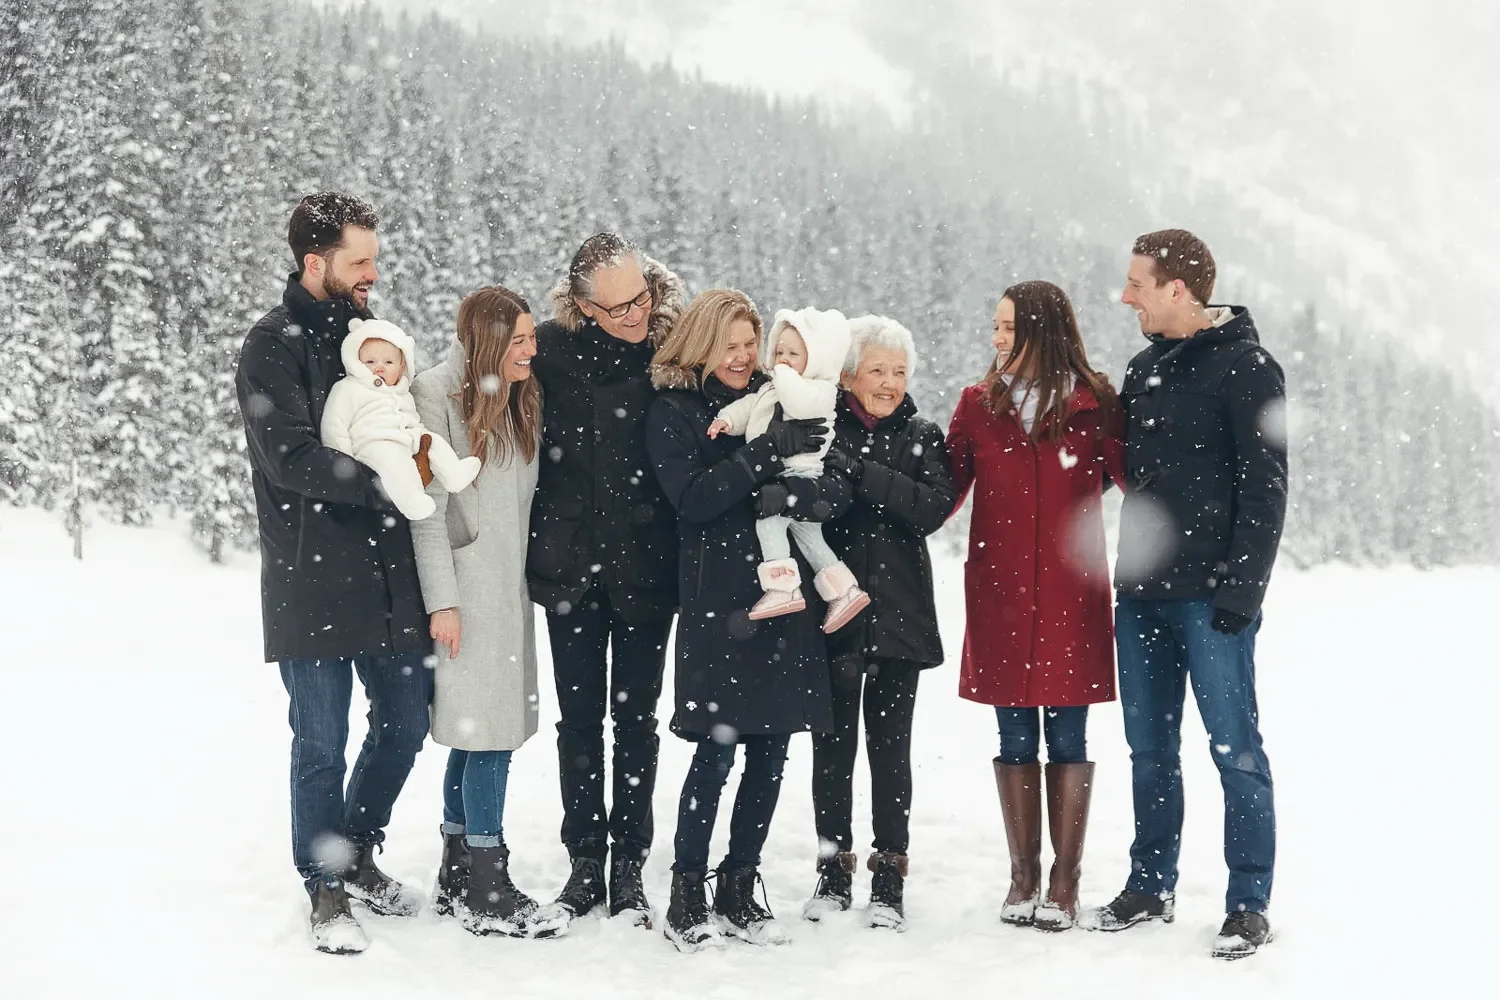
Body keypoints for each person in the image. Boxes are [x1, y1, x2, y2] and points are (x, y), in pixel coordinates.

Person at [234, 192, 430, 955]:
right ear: (315, 263)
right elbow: (289, 459)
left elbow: (404, 426)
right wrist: (389, 478)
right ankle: (325, 885)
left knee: (406, 723)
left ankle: (357, 849)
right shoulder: (271, 346)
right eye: (360, 261)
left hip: (386, 571)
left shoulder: (369, 341)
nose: (372, 274)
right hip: (309, 574)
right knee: (320, 738)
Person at [1088, 229, 1287, 961]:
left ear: (1178, 290)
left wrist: (1242, 590)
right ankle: (1150, 884)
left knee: (1235, 752)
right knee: (1149, 749)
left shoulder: (1248, 368)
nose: (1125, 295)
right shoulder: (1142, 370)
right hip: (1139, 594)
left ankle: (1247, 903)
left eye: (1137, 283)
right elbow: (1126, 474)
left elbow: (1266, 490)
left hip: (1212, 601)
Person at [646, 288, 844, 952]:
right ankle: (685, 893)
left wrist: (792, 488)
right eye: (727, 345)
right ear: (702, 344)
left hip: (781, 598)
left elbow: (832, 481)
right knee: (716, 751)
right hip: (716, 605)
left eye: (747, 345)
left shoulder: (781, 396)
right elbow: (695, 499)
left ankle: (739, 884)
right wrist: (762, 457)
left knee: (772, 750)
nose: (740, 357)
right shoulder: (673, 412)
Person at [946, 281, 1126, 932]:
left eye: (1007, 327)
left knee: (1069, 735)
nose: (995, 338)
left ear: (1041, 333)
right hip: (999, 596)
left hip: (1069, 599)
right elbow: (941, 493)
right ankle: (1022, 875)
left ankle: (1064, 880)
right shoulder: (977, 406)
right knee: (1015, 735)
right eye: (993, 325)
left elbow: (1134, 477)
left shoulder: (1095, 406)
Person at [528, 233, 685, 927]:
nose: (634, 314)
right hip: (570, 567)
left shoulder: (672, 348)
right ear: (582, 304)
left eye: (641, 298)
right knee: (580, 720)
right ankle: (585, 859)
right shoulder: (548, 350)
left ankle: (630, 866)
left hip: (649, 566)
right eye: (617, 306)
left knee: (638, 721)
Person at [408, 286, 567, 940]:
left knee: (479, 728)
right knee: (490, 734)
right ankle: (486, 884)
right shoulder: (437, 393)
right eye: (521, 339)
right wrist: (443, 601)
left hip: (508, 591)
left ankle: (456, 870)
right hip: (467, 594)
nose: (533, 349)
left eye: (533, 337)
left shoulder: (521, 397)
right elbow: (427, 511)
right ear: (488, 340)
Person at [804, 315, 955, 931]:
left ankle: (889, 875)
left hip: (898, 621)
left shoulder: (922, 433)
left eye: (899, 372)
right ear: (847, 376)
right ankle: (832, 868)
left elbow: (932, 507)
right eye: (877, 370)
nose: (890, 383)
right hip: (834, 617)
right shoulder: (821, 429)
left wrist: (862, 472)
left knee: (891, 753)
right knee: (831, 749)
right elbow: (811, 505)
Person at [707, 306, 870, 630]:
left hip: (798, 473)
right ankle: (844, 591)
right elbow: (750, 406)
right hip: (780, 471)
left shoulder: (818, 388)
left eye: (793, 353)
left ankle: (782, 587)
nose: (782, 359)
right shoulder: (772, 386)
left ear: (816, 359)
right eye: (779, 351)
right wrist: (727, 418)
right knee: (810, 538)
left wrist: (782, 375)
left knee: (769, 523)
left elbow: (798, 404)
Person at [321, 317, 481, 520]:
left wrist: (419, 436)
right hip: (374, 444)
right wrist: (345, 461)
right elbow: (335, 426)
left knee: (434, 442)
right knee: (395, 463)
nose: (379, 368)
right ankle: (412, 501)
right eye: (370, 362)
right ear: (356, 360)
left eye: (388, 362)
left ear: (401, 365)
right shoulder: (348, 388)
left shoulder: (402, 391)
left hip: (407, 437)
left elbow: (411, 418)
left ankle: (454, 474)